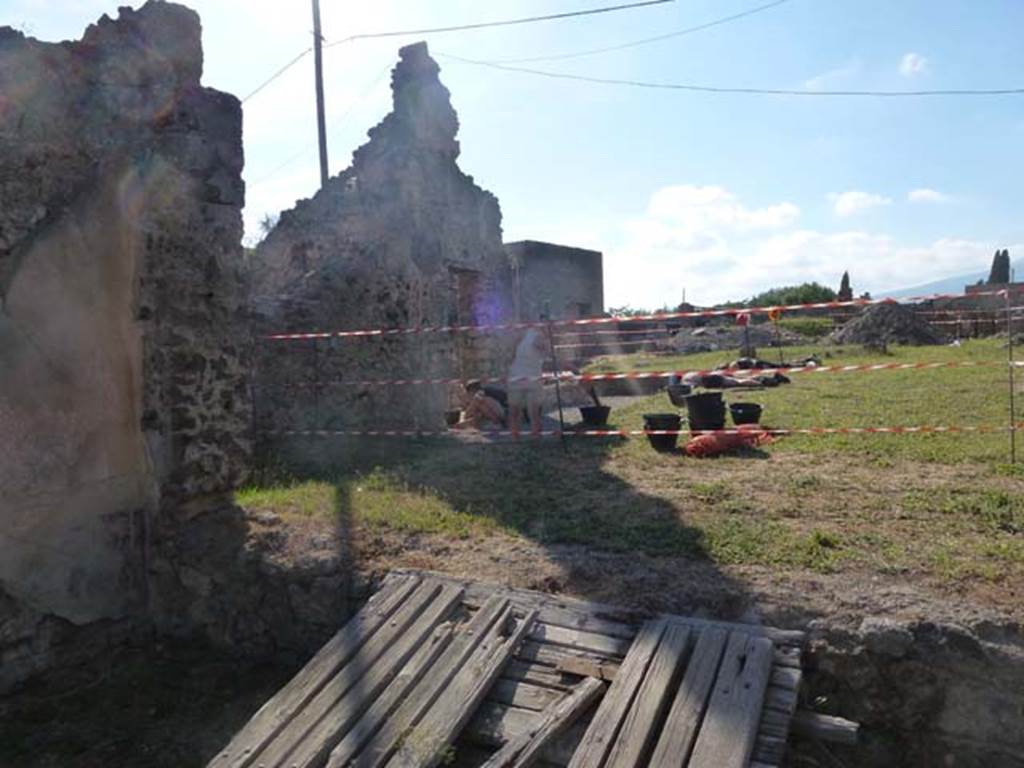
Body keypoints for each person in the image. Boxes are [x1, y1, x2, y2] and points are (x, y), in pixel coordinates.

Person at [507, 328, 547, 437]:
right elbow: (512, 353)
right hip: (516, 375)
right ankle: (514, 435)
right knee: (514, 409)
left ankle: (536, 436)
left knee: (533, 411)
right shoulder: (521, 335)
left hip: (533, 376)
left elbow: (543, 349)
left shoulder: (539, 335)